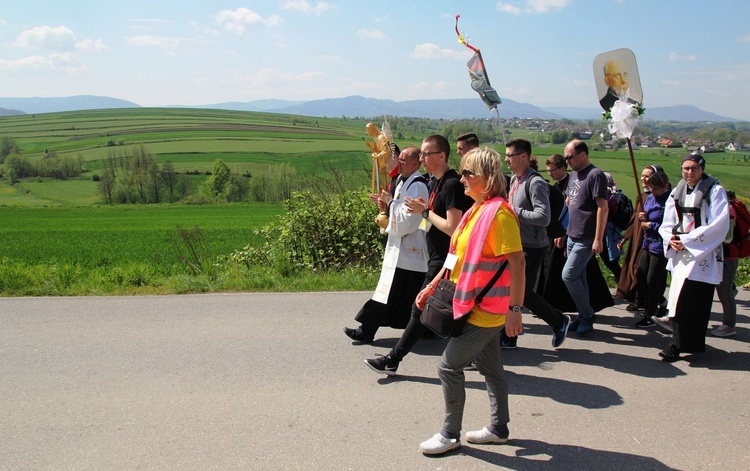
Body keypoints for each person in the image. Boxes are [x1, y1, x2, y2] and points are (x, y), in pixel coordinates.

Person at [416, 147, 525, 455]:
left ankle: (450, 434)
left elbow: (518, 264)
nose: (461, 177)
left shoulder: (500, 215)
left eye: (468, 173)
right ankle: (499, 428)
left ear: (487, 179)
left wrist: (515, 311)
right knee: (492, 369)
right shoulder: (475, 210)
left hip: (487, 309)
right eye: (462, 172)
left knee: (448, 367)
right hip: (472, 303)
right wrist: (434, 285)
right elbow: (456, 257)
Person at [364, 135, 472, 374]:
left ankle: (393, 359)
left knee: (419, 306)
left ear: (441, 156)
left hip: (446, 257)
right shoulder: (435, 182)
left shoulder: (452, 184)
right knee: (456, 308)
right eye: (421, 154)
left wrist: (424, 213)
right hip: (434, 254)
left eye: (426, 154)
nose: (422, 159)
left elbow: (453, 228)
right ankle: (475, 351)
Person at [344, 147, 429, 343]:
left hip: (410, 252)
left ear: (415, 163)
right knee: (401, 297)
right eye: (398, 159)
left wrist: (390, 203)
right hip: (398, 249)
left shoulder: (418, 185)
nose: (399, 163)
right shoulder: (401, 181)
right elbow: (396, 212)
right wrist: (384, 207)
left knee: (391, 294)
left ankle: (367, 330)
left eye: (403, 160)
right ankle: (425, 329)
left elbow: (410, 221)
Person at [655, 153, 730, 362]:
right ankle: (677, 345)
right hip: (682, 254)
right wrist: (671, 239)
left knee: (697, 302)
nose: (689, 172)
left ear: (702, 169)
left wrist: (688, 240)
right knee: (681, 301)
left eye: (694, 168)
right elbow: (667, 221)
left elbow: (719, 224)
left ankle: (692, 343)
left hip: (703, 254)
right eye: (686, 168)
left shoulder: (715, 191)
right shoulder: (677, 192)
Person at [501, 138, 570, 349]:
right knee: (514, 291)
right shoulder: (514, 180)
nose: (506, 160)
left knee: (522, 293)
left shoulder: (535, 182)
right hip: (515, 243)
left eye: (510, 156)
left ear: (523, 157)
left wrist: (515, 211)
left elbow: (544, 217)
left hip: (532, 246)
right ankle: (509, 336)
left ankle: (558, 321)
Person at [540, 154, 613, 316]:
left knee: (573, 274)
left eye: (552, 170)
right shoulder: (561, 185)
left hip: (574, 234)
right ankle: (580, 309)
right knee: (574, 274)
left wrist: (564, 234)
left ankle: (586, 311)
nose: (550, 174)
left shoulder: (572, 184)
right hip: (565, 234)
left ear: (562, 169)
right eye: (548, 171)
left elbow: (574, 213)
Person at [561, 140, 609, 334]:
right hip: (573, 234)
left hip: (587, 236)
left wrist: (598, 238)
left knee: (569, 275)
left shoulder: (595, 175)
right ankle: (583, 316)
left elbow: (602, 207)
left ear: (583, 154)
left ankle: (587, 313)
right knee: (580, 278)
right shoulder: (574, 175)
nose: (567, 161)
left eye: (570, 157)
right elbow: (571, 202)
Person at [617, 164, 665, 310]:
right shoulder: (643, 196)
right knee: (637, 270)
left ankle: (654, 302)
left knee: (646, 274)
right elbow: (634, 220)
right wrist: (626, 237)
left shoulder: (658, 198)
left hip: (651, 239)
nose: (644, 179)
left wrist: (649, 224)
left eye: (647, 176)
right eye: (642, 176)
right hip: (639, 237)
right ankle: (640, 299)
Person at [633, 171, 670, 328]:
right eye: (651, 188)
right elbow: (647, 213)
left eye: (656, 189)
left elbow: (671, 225)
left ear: (665, 186)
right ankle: (662, 301)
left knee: (652, 280)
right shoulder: (650, 198)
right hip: (647, 243)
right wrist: (643, 216)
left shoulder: (669, 202)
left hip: (660, 246)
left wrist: (651, 225)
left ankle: (651, 314)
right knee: (640, 276)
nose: (653, 192)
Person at [713, 190, 741, 338]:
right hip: (720, 256)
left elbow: (727, 237)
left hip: (728, 255)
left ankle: (729, 325)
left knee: (725, 293)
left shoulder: (728, 209)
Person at [600, 172, 623, 281]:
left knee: (610, 260)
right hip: (612, 231)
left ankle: (623, 282)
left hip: (607, 231)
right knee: (611, 260)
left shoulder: (608, 195)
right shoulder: (616, 193)